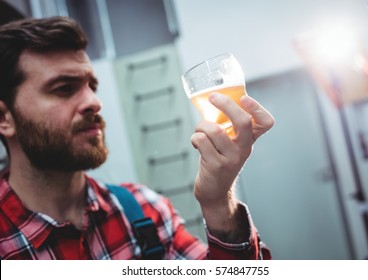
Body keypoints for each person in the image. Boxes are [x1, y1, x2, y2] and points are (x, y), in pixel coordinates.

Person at [0, 16, 274, 260]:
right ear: (4, 118)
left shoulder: (144, 212)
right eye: (63, 88)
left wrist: (218, 203)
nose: (94, 102)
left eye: (91, 86)